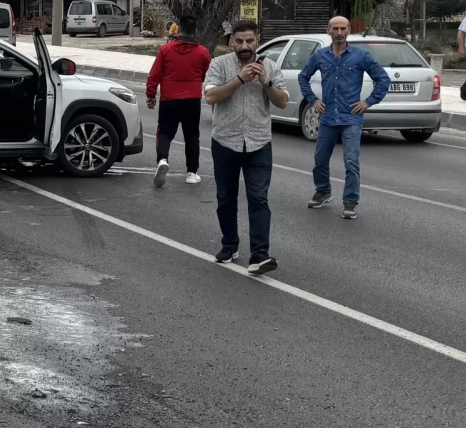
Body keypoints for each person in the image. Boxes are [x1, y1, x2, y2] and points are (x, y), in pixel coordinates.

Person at [202, 20, 288, 275]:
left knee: (259, 198)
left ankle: (260, 254)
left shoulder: (270, 66)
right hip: (225, 141)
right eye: (239, 41)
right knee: (225, 198)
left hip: (259, 142)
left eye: (249, 41)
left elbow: (283, 102)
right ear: (232, 42)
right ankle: (230, 245)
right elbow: (210, 96)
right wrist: (240, 79)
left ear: (257, 40)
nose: (244, 46)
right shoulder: (219, 65)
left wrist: (266, 82)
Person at [299, 16, 390, 220]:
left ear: (349, 30)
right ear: (328, 30)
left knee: (351, 161)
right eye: (335, 28)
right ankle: (323, 191)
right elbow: (303, 77)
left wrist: (368, 102)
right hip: (328, 118)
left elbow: (383, 79)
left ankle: (350, 201)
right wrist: (313, 100)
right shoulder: (320, 56)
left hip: (351, 119)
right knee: (320, 159)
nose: (339, 32)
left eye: (343, 28)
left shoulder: (361, 56)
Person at [146, 14, 211, 187]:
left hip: (169, 99)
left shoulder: (166, 50)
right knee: (192, 136)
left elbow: (154, 74)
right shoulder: (202, 52)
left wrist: (151, 95)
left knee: (165, 133)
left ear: (179, 29)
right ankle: (192, 172)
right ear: (195, 31)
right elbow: (207, 74)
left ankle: (162, 160)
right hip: (192, 100)